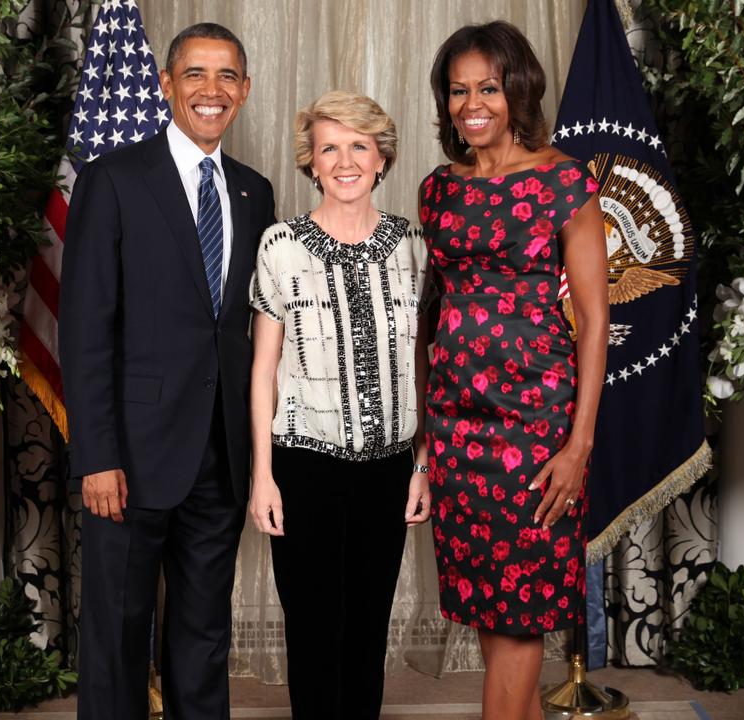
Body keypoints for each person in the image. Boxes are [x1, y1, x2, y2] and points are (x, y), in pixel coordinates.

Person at [59, 22, 276, 720]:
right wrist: (96, 457)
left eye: (226, 78)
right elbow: (86, 330)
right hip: (129, 457)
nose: (210, 91)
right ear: (166, 86)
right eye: (195, 75)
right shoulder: (115, 179)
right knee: (118, 634)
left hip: (219, 453)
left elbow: (242, 329)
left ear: (243, 92)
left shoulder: (254, 191)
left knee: (203, 636)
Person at [419, 21, 609, 720]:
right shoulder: (437, 189)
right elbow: (429, 315)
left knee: (522, 613)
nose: (473, 103)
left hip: (537, 426)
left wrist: (578, 444)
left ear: (517, 90)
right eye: (459, 90)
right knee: (495, 616)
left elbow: (594, 320)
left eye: (489, 88)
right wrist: (423, 435)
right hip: (455, 426)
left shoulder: (565, 181)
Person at [247, 90, 431, 720]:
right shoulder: (281, 247)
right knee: (312, 627)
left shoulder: (416, 247)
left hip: (389, 466)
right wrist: (263, 476)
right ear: (312, 162)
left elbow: (430, 365)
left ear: (382, 158)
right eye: (330, 147)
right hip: (303, 465)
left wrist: (422, 464)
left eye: (360, 145)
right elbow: (263, 369)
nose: (345, 160)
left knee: (367, 625)